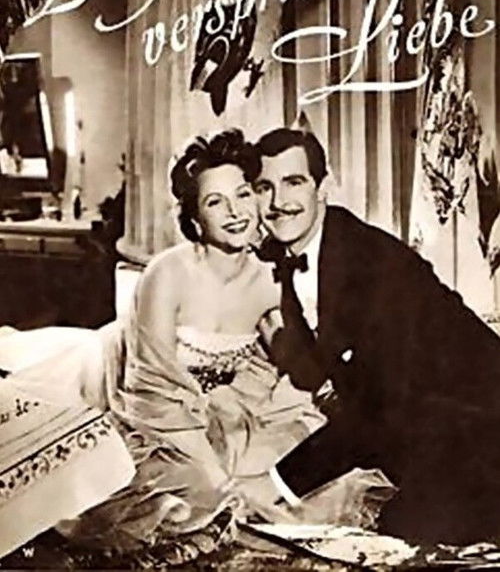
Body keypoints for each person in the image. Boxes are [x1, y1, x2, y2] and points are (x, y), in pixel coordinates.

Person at [52, 128, 327, 552]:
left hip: (218, 412)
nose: (235, 212)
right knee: (188, 497)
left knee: (292, 476)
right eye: (215, 202)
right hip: (140, 402)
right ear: (196, 219)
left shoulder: (272, 280)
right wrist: (216, 477)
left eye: (243, 194)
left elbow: (291, 372)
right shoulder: (168, 274)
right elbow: (153, 391)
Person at [253, 126, 500, 545]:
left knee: (401, 540)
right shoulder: (295, 253)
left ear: (323, 187)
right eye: (264, 187)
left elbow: (378, 410)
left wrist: (276, 483)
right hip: (423, 436)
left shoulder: (373, 262)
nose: (278, 202)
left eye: (294, 182)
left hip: (482, 438)